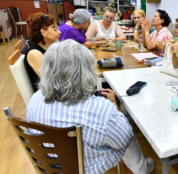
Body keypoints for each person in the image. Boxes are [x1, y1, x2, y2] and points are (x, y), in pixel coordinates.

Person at [26, 40, 155, 174]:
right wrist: (114, 107)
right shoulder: (101, 109)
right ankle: (142, 169)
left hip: (48, 162)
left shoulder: (35, 98)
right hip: (84, 167)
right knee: (127, 132)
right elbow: (123, 139)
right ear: (86, 72)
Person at [24, 13, 61, 92]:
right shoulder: (34, 53)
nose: (59, 32)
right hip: (48, 96)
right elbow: (51, 81)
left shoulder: (51, 47)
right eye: (55, 29)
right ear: (43, 32)